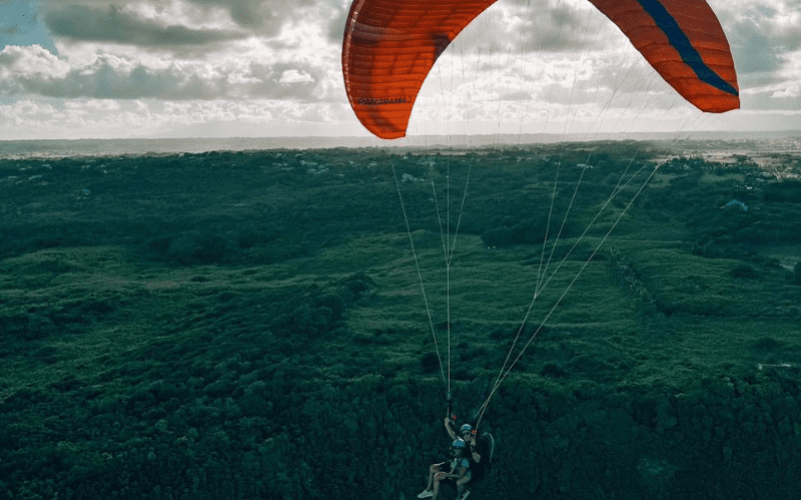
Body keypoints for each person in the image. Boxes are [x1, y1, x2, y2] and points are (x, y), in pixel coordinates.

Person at [418, 418, 481, 500]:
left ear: (470, 434)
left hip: (465, 468)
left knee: (458, 481)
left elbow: (477, 460)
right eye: (463, 434)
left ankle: (460, 495)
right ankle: (428, 490)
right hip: (455, 464)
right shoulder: (460, 442)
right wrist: (447, 423)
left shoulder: (474, 444)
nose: (465, 435)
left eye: (467, 433)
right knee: (433, 468)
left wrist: (473, 448)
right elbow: (452, 434)